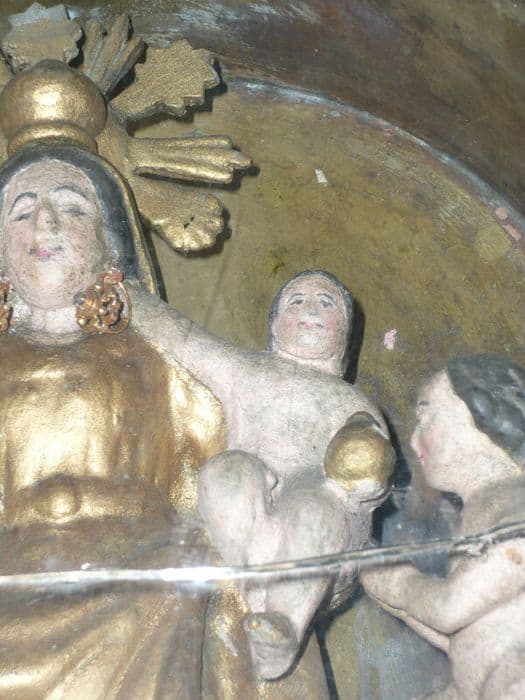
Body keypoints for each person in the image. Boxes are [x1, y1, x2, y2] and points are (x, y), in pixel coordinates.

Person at [0, 143, 225, 699]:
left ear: (109, 242)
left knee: (175, 586)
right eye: (22, 211)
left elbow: (221, 470)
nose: (44, 223)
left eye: (71, 207)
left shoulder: (157, 358)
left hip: (140, 570)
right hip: (13, 575)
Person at [131, 269, 394, 680]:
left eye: (326, 303)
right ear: (273, 325)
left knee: (315, 508)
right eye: (296, 301)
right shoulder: (248, 370)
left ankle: (284, 626)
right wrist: (126, 294)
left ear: (345, 331)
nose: (310, 309)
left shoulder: (351, 401)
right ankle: (257, 595)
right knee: (227, 472)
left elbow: (368, 471)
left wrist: (365, 464)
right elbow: (185, 339)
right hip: (251, 518)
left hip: (320, 522)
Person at [361, 354, 525, 700]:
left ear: (477, 411)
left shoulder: (512, 497)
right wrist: (384, 586)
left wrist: (399, 584)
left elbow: (452, 607)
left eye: (424, 418)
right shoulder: (481, 509)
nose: (414, 441)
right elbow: (462, 634)